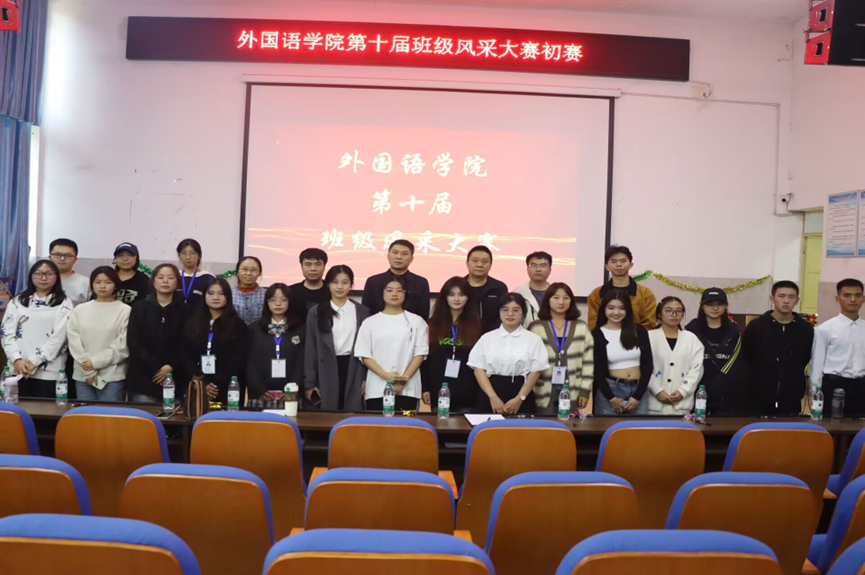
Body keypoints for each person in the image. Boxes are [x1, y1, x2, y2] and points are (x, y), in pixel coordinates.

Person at [355, 274, 429, 411]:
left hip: (408, 390)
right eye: (389, 290)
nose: (394, 294)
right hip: (376, 389)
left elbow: (420, 354)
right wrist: (387, 377)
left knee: (408, 422)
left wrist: (402, 381)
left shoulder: (417, 322)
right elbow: (364, 355)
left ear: (406, 294)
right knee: (378, 424)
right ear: (382, 293)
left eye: (399, 290)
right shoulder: (369, 322)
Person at [1, 260, 73, 398]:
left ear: (56, 277)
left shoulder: (64, 303)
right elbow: (6, 333)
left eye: (49, 274)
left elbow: (60, 337)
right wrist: (16, 359)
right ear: (31, 276)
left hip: (49, 372)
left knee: (46, 410)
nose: (43, 278)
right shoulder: (18, 301)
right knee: (15, 409)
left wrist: (34, 361)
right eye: (38, 273)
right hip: (17, 369)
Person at [742, 281, 814, 416]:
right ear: (772, 298)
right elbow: (747, 356)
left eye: (791, 297)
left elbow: (805, 357)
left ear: (797, 300)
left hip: (791, 396)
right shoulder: (756, 326)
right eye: (781, 296)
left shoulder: (805, 329)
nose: (786, 301)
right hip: (758, 395)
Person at [469, 293, 548, 414]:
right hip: (490, 393)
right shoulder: (487, 338)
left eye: (515, 310)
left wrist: (520, 398)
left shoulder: (533, 339)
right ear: (499, 312)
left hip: (521, 394)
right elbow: (478, 369)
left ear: (523, 313)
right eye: (505, 310)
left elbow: (535, 372)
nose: (510, 314)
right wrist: (493, 397)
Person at [305, 265, 370, 411]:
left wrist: (366, 378)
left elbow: (368, 349)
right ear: (328, 284)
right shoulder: (316, 312)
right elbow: (310, 349)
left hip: (354, 367)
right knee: (327, 413)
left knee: (352, 412)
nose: (339, 287)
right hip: (325, 368)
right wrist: (309, 382)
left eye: (345, 282)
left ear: (351, 285)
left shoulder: (362, 312)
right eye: (335, 282)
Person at [180, 277, 249, 405]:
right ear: (204, 296)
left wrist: (215, 383)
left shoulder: (237, 326)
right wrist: (202, 382)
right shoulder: (192, 323)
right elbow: (185, 354)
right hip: (197, 385)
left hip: (227, 387)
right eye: (211, 293)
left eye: (221, 293)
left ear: (228, 297)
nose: (215, 297)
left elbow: (238, 359)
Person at [66, 267, 131, 401]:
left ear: (115, 285)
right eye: (98, 282)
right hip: (83, 374)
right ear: (92, 285)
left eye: (108, 282)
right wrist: (88, 368)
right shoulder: (80, 309)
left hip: (112, 376)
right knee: (85, 413)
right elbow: (73, 339)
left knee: (109, 413)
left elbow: (122, 345)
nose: (102, 286)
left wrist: (94, 363)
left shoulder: (125, 310)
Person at [529, 283, 594, 415]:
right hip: (542, 391)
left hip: (573, 389)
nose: (561, 302)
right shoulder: (536, 328)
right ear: (547, 300)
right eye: (556, 297)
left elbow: (588, 363)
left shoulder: (581, 327)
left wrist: (585, 391)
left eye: (566, 298)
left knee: (568, 424)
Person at [126, 264, 186, 404]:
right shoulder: (139, 307)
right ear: (153, 282)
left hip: (176, 377)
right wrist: (157, 367)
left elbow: (187, 343)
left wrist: (171, 366)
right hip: (144, 378)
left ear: (177, 282)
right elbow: (134, 341)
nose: (165, 281)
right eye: (160, 277)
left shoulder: (186, 310)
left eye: (170, 278)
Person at [422, 277, 482, 413]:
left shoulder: (478, 325)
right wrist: (425, 388)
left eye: (461, 294)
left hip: (468, 391)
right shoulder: (432, 324)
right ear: (445, 297)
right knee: (440, 424)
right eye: (451, 294)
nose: (456, 299)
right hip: (438, 389)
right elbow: (425, 359)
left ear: (468, 298)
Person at [592, 289, 653, 416]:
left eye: (621, 308)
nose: (616, 312)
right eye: (611, 308)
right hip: (610, 391)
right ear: (604, 309)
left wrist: (638, 396)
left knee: (638, 428)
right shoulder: (597, 334)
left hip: (638, 390)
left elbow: (648, 365)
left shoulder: (639, 331)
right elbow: (597, 371)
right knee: (608, 428)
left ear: (628, 310)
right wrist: (611, 398)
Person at [685, 288, 744, 416]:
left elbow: (737, 360)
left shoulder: (734, 330)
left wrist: (721, 382)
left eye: (719, 304)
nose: (715, 308)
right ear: (702, 306)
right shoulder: (691, 330)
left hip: (726, 391)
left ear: (726, 306)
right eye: (710, 304)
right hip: (697, 389)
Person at [811, 278, 865, 416]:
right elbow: (817, 366)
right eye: (847, 295)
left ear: (863, 299)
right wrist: (816, 396)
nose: (853, 300)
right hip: (834, 386)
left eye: (858, 295)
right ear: (837, 298)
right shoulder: (825, 329)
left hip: (862, 386)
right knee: (833, 426)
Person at [646, 296, 705, 416]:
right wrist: (658, 391)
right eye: (668, 311)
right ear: (659, 314)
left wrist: (682, 392)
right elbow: (643, 368)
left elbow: (696, 369)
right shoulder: (648, 337)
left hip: (682, 407)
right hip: (652, 406)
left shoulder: (691, 339)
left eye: (678, 311)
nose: (674, 314)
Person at [246, 283, 304, 401]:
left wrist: (292, 388)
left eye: (283, 300)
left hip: (291, 392)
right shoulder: (255, 328)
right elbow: (250, 362)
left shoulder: (300, 329)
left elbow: (301, 361)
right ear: (266, 302)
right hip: (261, 393)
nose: (278, 304)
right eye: (273, 300)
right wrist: (259, 389)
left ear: (290, 302)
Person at [587, 245, 657, 330]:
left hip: (636, 337)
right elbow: (593, 324)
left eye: (623, 261)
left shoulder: (645, 293)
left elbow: (649, 323)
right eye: (613, 261)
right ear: (607, 266)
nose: (619, 264)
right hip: (604, 337)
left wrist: (632, 334)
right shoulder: (596, 294)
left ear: (631, 265)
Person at [362, 240, 430, 318]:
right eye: (395, 252)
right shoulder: (373, 282)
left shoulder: (421, 283)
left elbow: (423, 314)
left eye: (404, 254)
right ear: (388, 256)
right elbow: (366, 312)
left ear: (411, 259)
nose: (398, 257)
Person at [464, 245, 509, 333]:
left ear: (490, 265)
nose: (479, 265)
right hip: (462, 336)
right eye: (475, 261)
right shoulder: (459, 287)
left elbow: (504, 315)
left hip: (493, 336)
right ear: (467, 263)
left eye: (484, 261)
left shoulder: (499, 288)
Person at [289, 248, 331, 319]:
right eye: (308, 264)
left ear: (324, 267)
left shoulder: (331, 291)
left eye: (318, 264)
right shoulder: (290, 291)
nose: (313, 269)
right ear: (301, 266)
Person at [49, 238, 90, 306]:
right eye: (57, 255)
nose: (62, 259)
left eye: (68, 256)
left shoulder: (85, 282)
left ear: (75, 259)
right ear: (50, 257)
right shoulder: (39, 280)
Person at [515, 252, 552, 327]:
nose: (538, 269)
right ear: (527, 269)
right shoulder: (518, 293)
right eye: (534, 265)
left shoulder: (557, 293)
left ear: (549, 270)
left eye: (543, 266)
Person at [176, 238, 214, 307]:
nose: (188, 257)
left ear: (199, 255)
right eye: (184, 253)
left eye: (192, 253)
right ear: (179, 256)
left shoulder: (208, 278)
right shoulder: (174, 276)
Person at [231, 256, 266, 324]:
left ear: (259, 273)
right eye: (245, 269)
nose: (249, 273)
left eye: (253, 270)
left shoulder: (266, 294)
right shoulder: (230, 294)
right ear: (237, 272)